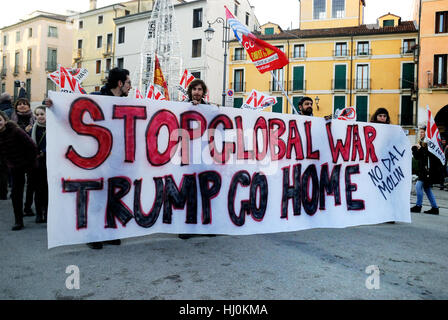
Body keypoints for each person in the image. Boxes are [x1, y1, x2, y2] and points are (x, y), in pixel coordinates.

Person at [0, 110, 38, 230]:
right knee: (16, 193)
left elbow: (32, 146)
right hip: (14, 166)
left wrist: (29, 162)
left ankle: (31, 209)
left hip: (29, 162)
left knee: (33, 187)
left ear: (5, 121)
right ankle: (18, 220)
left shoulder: (16, 131)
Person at [10, 98, 35, 216]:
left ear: (29, 106)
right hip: (16, 156)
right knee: (17, 187)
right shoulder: (11, 120)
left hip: (31, 156)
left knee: (31, 184)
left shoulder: (34, 118)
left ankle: (28, 207)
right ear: (16, 107)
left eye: (25, 104)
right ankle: (18, 213)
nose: (22, 106)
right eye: (19, 104)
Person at [410, 127, 440, 215]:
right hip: (424, 169)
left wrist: (419, 148)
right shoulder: (422, 143)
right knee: (427, 189)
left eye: (423, 132)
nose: (421, 134)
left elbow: (425, 155)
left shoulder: (429, 145)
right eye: (421, 132)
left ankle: (418, 206)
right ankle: (435, 208)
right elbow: (417, 157)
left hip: (427, 170)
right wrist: (415, 149)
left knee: (418, 186)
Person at [31, 106, 48, 223]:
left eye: (42, 114)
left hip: (49, 162)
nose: (39, 117)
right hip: (36, 163)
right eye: (37, 115)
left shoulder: (53, 128)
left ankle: (47, 213)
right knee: (38, 189)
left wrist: (44, 152)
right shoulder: (33, 128)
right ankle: (38, 213)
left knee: (47, 189)